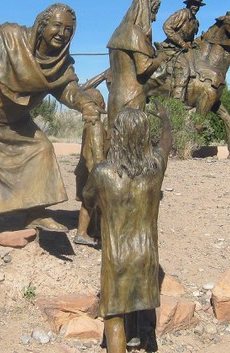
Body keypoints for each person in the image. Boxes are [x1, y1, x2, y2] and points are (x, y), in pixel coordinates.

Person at [0, 3, 102, 256]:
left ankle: (35, 213)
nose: (62, 33)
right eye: (57, 25)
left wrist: (85, 103)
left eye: (68, 29)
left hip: (13, 117)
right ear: (42, 25)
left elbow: (67, 90)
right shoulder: (11, 37)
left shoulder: (60, 64)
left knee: (41, 149)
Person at [82, 102, 172, 353]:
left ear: (117, 135)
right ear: (145, 136)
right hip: (146, 255)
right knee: (138, 300)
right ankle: (142, 338)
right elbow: (166, 143)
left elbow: (87, 198)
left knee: (113, 315)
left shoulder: (103, 173)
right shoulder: (155, 168)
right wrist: (165, 119)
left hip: (116, 257)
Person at [106, 0, 166, 126]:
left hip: (114, 97)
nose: (154, 18)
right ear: (145, 10)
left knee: (113, 138)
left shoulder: (117, 32)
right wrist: (161, 57)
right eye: (153, 12)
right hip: (132, 97)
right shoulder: (135, 33)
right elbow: (143, 69)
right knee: (132, 141)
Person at [73, 87, 106, 246]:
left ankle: (93, 230)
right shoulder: (96, 125)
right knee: (89, 202)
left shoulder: (87, 125)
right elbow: (98, 153)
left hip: (84, 169)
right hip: (92, 170)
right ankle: (82, 233)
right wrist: (103, 172)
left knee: (91, 203)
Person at [159, 0, 206, 100]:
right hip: (172, 48)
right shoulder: (182, 13)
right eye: (194, 5)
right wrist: (181, 43)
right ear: (189, 4)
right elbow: (167, 26)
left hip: (185, 50)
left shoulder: (195, 21)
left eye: (198, 6)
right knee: (184, 69)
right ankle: (177, 101)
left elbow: (191, 41)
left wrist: (201, 40)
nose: (196, 7)